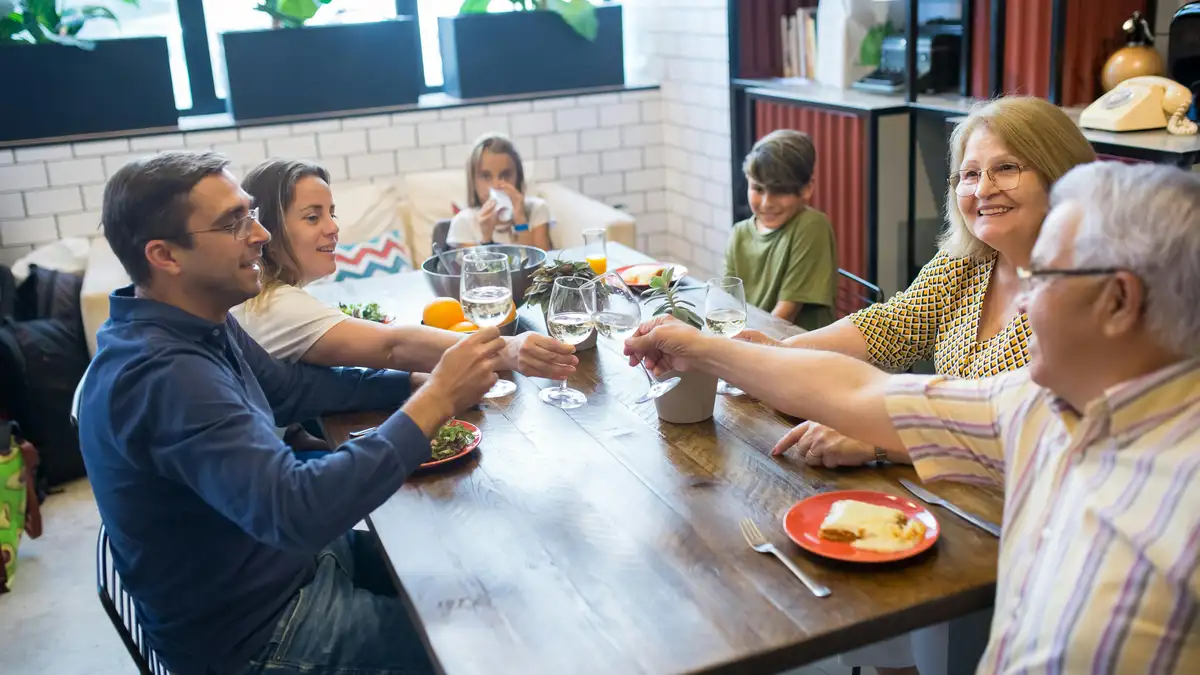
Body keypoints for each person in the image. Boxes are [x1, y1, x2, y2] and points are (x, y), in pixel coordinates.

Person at [625, 160, 1200, 673]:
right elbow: (858, 392)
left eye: (1042, 277)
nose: (1024, 300)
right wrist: (700, 348)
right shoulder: (1041, 404)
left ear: (1118, 302)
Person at [78, 151, 501, 675]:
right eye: (235, 222)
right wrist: (436, 399)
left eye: (251, 213)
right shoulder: (164, 376)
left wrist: (408, 384)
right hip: (263, 633)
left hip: (289, 568)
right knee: (487, 643)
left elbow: (288, 388)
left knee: (487, 581)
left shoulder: (195, 318)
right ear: (165, 256)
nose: (260, 235)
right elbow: (297, 510)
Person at [741, 97, 1096, 475]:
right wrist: (781, 352)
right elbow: (892, 326)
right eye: (970, 174)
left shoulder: (1087, 290)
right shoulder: (968, 262)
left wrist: (883, 441)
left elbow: (1041, 438)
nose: (981, 190)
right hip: (952, 492)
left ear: (1059, 177)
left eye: (1006, 168)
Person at [231, 158, 576, 381]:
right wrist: (512, 350)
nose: (333, 228)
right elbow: (393, 347)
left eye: (330, 213)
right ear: (267, 231)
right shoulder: (275, 305)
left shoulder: (269, 297)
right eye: (312, 217)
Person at [725, 129, 837, 329]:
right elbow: (727, 301)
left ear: (807, 189)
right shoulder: (739, 233)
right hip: (752, 340)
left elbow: (785, 315)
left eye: (780, 191)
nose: (767, 203)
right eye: (758, 189)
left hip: (798, 347)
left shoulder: (811, 226)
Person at [445, 132, 552, 249]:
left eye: (505, 175)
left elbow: (540, 264)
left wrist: (521, 221)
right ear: (473, 182)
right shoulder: (464, 222)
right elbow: (476, 267)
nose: (496, 185)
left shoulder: (537, 210)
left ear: (518, 177)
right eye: (486, 176)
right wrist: (486, 238)